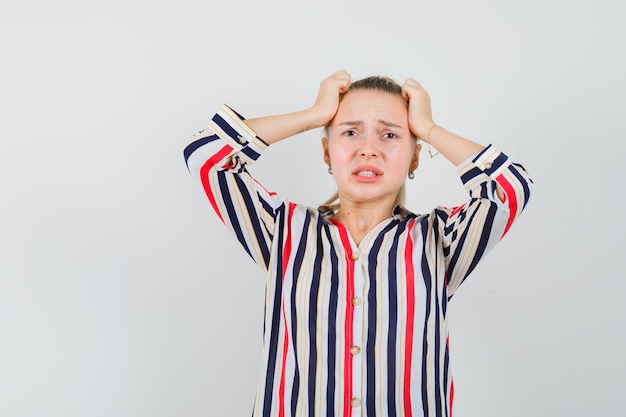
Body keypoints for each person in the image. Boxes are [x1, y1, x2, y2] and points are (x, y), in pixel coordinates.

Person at [183, 70, 532, 417]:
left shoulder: (440, 241)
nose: (369, 150)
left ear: (413, 158)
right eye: (350, 132)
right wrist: (312, 116)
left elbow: (510, 188)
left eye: (390, 135)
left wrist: (428, 128)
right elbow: (206, 154)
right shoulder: (283, 231)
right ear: (326, 152)